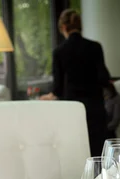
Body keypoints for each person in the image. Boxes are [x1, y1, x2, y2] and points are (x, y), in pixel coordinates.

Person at [40, 9, 111, 156]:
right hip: (95, 108)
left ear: (64, 28)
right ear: (80, 26)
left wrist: (49, 96)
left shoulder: (59, 51)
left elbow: (58, 89)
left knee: (76, 153)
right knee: (98, 153)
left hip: (73, 110)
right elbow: (104, 77)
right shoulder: (95, 47)